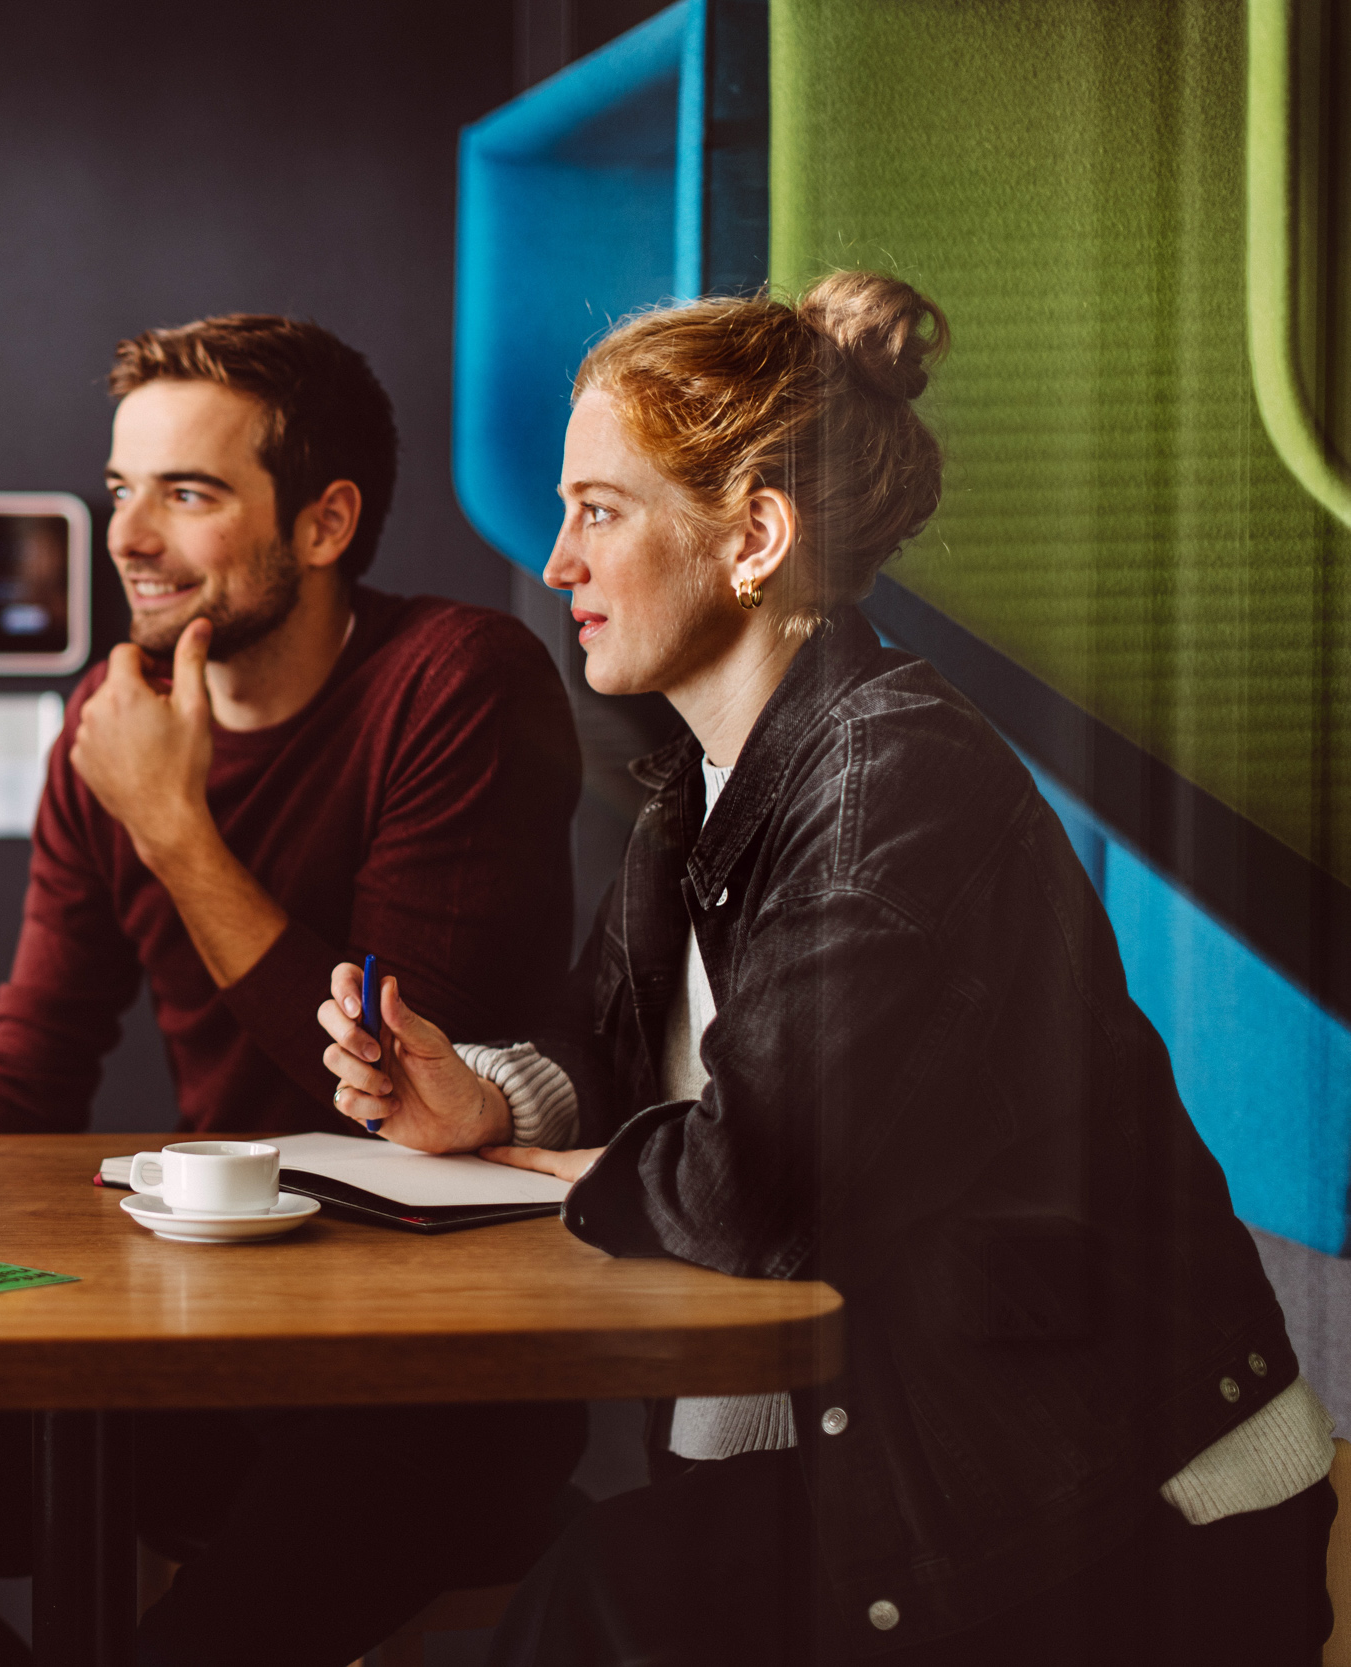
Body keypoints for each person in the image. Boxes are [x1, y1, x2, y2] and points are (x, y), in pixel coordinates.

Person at [317, 272, 1336, 1664]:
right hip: (914, 1475)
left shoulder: (891, 780)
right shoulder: (706, 790)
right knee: (598, 1594)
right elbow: (627, 1057)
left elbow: (751, 1185)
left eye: (599, 512)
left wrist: (548, 1173)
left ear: (754, 538)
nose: (557, 563)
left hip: (1120, 1519)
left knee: (592, 1608)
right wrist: (490, 1103)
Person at [0, 314, 589, 1666]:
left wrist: (175, 827)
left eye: (187, 494)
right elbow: (30, 1067)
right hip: (205, 1347)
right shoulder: (115, 723)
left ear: (325, 522)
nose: (129, 539)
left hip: (431, 1380)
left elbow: (391, 1085)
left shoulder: (456, 682)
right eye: (120, 490)